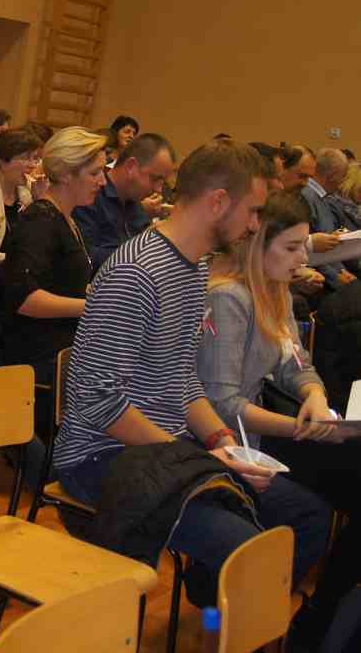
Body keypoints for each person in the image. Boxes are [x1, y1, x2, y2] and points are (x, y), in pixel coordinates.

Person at [53, 141, 330, 610]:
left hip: (163, 451)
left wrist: (223, 441)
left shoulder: (195, 263)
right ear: (218, 201)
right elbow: (98, 401)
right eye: (253, 211)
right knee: (252, 551)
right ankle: (226, 615)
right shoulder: (136, 272)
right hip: (101, 457)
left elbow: (182, 376)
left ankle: (222, 612)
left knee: (307, 516)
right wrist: (195, 459)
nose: (255, 225)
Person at [199, 190, 361, 647]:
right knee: (317, 510)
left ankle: (318, 620)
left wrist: (314, 395)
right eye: (291, 247)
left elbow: (295, 364)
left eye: (302, 246)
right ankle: (255, 608)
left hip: (257, 433)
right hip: (224, 442)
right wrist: (303, 428)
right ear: (256, 245)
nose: (302, 258)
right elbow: (222, 405)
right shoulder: (228, 298)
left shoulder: (275, 290)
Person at [0, 126, 105, 426]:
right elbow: (24, 299)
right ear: (67, 174)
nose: (102, 181)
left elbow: (63, 283)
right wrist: (93, 306)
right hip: (37, 356)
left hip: (61, 347)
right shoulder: (40, 221)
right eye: (95, 173)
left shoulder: (65, 218)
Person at [72, 132, 176, 268]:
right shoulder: (90, 195)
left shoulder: (134, 200)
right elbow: (85, 258)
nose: (159, 189)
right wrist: (143, 245)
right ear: (131, 166)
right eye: (155, 179)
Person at [302, 148, 355, 288]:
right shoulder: (308, 197)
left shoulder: (321, 197)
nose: (343, 182)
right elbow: (313, 249)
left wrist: (341, 271)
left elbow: (328, 240)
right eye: (343, 176)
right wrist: (337, 276)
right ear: (332, 176)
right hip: (318, 279)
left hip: (330, 271)